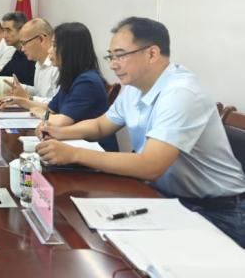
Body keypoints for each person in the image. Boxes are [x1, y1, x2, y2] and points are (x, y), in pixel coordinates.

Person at [36, 17, 245, 246]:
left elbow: (151, 165)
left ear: (152, 54)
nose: (113, 65)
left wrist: (74, 154)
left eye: (120, 55)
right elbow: (100, 126)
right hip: (165, 197)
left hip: (219, 210)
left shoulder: (181, 93)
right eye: (110, 56)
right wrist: (60, 132)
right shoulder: (134, 88)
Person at [0, 22, 118, 151]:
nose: (49, 50)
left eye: (54, 45)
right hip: (72, 144)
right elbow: (50, 108)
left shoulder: (87, 82)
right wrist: (19, 101)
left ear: (70, 50)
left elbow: (61, 121)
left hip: (95, 151)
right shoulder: (71, 77)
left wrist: (41, 113)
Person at [3, 17, 59, 103]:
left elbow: (58, 104)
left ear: (41, 39)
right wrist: (18, 88)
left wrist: (28, 98)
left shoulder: (58, 65)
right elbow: (40, 93)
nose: (22, 49)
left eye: (24, 43)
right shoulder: (38, 63)